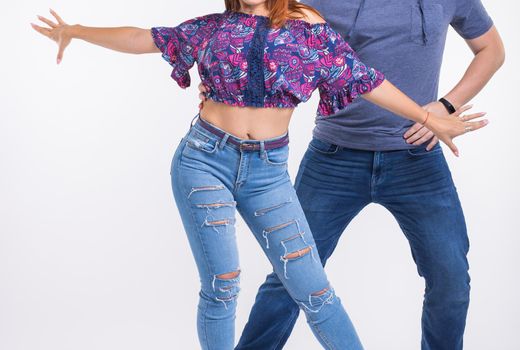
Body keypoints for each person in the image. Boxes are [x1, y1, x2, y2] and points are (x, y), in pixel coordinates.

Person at [31, 1, 489, 349]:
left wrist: (433, 117)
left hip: (268, 171)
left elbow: (367, 79)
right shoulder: (211, 27)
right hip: (203, 160)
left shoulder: (311, 33)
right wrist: (75, 30)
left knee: (313, 288)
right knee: (222, 285)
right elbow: (142, 37)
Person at [225, 0, 504, 349]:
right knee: (290, 276)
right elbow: (254, 36)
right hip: (334, 159)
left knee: (450, 280)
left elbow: (491, 49)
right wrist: (219, 83)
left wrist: (444, 107)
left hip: (418, 159)